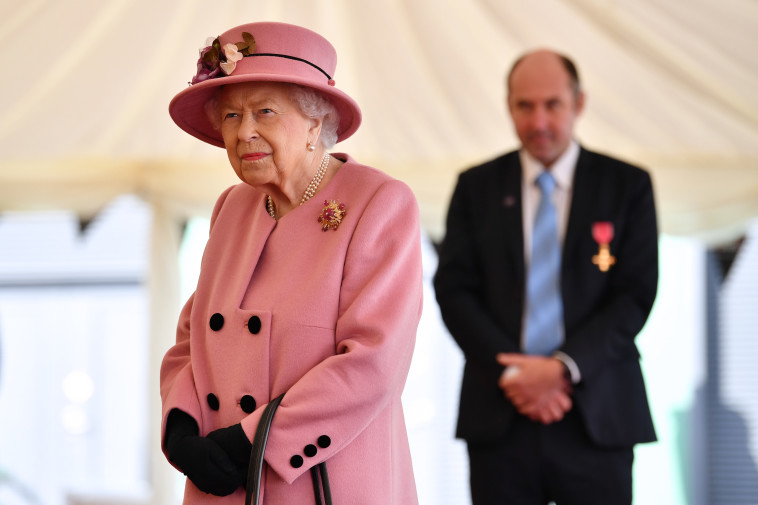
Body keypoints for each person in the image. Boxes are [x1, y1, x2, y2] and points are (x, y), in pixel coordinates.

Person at [160, 21, 423, 504]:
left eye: (264, 111)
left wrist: (251, 439)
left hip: (321, 482)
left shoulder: (379, 203)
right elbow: (190, 338)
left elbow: (372, 361)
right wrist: (180, 425)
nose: (245, 132)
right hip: (221, 484)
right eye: (232, 116)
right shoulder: (231, 207)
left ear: (315, 123)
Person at [433, 49, 659, 505]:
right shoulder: (476, 187)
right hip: (501, 413)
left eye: (552, 105)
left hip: (597, 414)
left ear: (579, 104)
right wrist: (518, 374)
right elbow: (454, 290)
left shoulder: (626, 184)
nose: (538, 122)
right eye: (525, 106)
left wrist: (559, 369)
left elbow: (634, 295)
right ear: (509, 106)